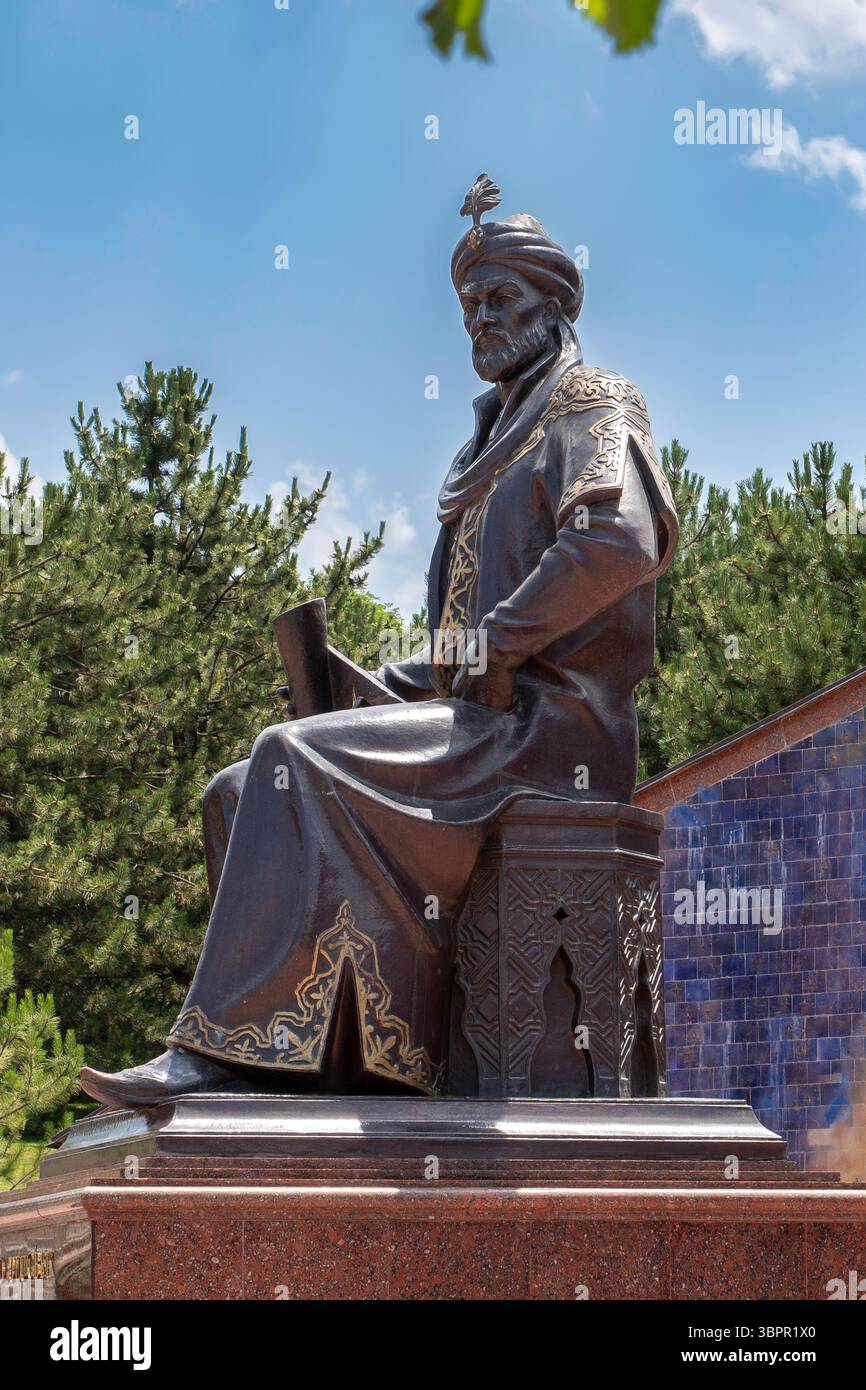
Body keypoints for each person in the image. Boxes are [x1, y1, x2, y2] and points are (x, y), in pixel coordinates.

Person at [80, 176, 678, 1108]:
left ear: (555, 303)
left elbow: (618, 540)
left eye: (501, 297)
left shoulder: (593, 404)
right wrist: (363, 686)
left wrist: (498, 647)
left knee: (291, 761)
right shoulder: (483, 453)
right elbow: (453, 652)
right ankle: (311, 1061)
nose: (481, 318)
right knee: (235, 789)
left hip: (554, 736)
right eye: (469, 305)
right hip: (481, 726)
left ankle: (217, 1053)